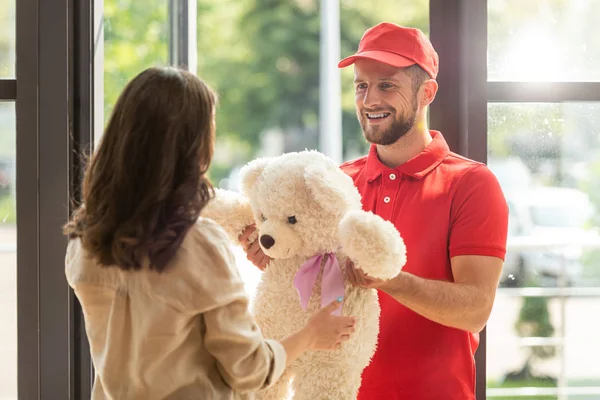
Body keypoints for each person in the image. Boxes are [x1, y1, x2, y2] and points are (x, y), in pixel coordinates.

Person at [240, 23, 509, 399]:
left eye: (387, 85)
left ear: (426, 92)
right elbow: (312, 287)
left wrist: (390, 280)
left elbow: (475, 309)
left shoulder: (471, 185)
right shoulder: (335, 186)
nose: (369, 100)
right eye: (362, 86)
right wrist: (275, 258)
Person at [63, 67, 356, 400]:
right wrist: (310, 335)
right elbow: (249, 369)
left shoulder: (84, 239)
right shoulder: (196, 244)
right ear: (193, 148)